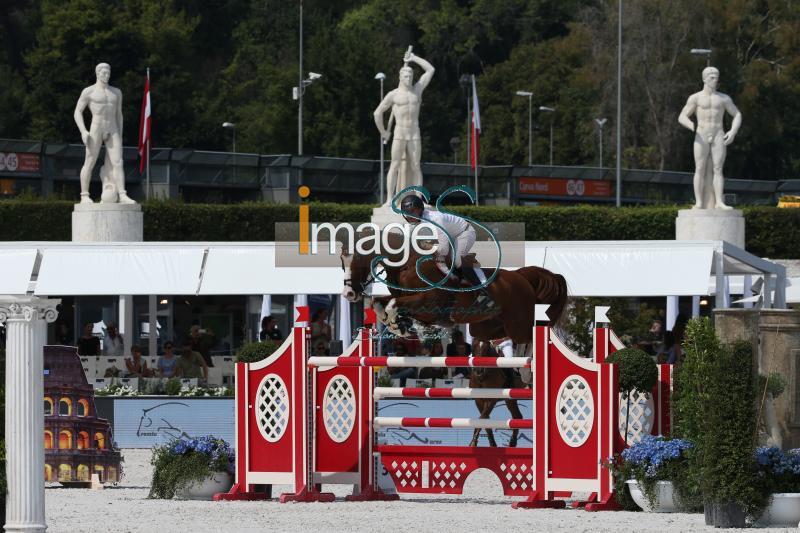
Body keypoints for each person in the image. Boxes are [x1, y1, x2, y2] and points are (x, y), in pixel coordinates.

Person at [400, 194, 494, 309]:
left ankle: (484, 291)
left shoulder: (435, 220)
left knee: (457, 261)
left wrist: (425, 245)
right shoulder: (413, 225)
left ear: (420, 210)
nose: (410, 217)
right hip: (449, 236)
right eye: (407, 214)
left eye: (412, 212)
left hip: (464, 233)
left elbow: (442, 249)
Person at [373, 49, 435, 202]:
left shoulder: (417, 90)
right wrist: (383, 132)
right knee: (394, 165)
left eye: (411, 76)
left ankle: (419, 198)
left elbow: (430, 69)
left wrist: (414, 58)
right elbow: (377, 113)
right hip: (400, 133)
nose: (409, 78)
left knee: (415, 166)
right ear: (400, 77)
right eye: (406, 76)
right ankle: (389, 200)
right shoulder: (393, 94)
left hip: (414, 132)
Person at [678, 66, 742, 210]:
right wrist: (691, 125)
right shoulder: (695, 98)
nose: (715, 80)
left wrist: (733, 131)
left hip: (718, 133)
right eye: (712, 77)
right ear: (704, 79)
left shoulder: (724, 98)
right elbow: (682, 116)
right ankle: (699, 202)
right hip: (701, 134)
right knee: (699, 168)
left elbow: (737, 114)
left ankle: (719, 201)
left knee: (718, 168)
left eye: (717, 77)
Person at [73, 63, 135, 204]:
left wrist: (120, 133)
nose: (106, 75)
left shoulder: (116, 92)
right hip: (96, 128)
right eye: (104, 73)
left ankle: (122, 194)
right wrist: (83, 131)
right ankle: (84, 195)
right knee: (89, 162)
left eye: (108, 73)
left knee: (118, 162)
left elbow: (119, 115)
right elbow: (77, 111)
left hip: (112, 128)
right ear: (97, 73)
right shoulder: (89, 91)